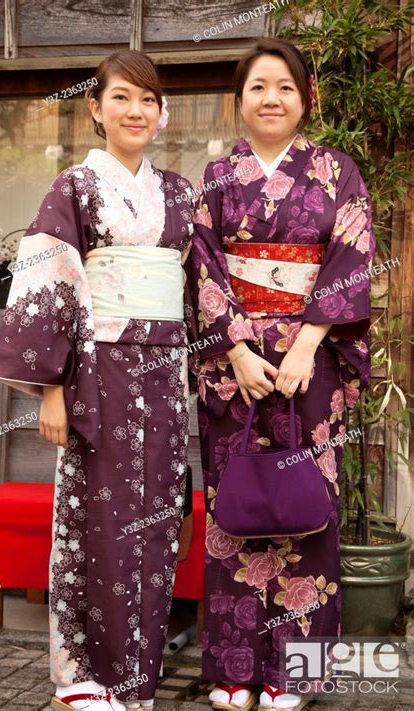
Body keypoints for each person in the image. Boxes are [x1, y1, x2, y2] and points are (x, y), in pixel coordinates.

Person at [0, 50, 194, 711]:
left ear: (161, 115)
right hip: (96, 373)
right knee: (93, 517)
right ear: (96, 107)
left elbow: (198, 290)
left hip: (163, 373)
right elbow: (50, 282)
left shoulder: (182, 193)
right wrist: (52, 383)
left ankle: (135, 676)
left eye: (149, 100)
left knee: (156, 522)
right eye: (123, 98)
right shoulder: (72, 188)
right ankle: (80, 674)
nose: (137, 111)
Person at [185, 38, 375, 711]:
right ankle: (233, 669)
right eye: (259, 86)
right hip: (234, 369)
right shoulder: (214, 179)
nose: (272, 98)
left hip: (311, 365)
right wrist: (235, 348)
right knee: (236, 512)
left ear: (306, 98)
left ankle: (295, 672)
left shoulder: (337, 173)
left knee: (307, 510)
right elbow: (202, 267)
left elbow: (351, 258)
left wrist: (306, 345)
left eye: (286, 87)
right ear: (240, 99)